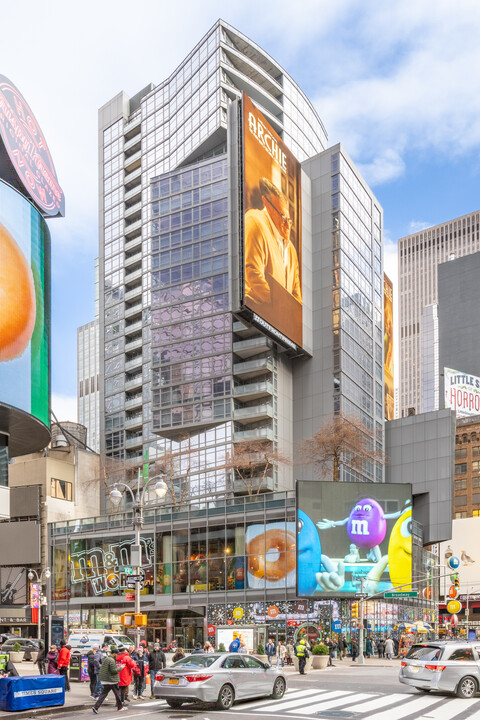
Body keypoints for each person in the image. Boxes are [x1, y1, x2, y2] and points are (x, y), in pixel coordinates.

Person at [244, 177, 302, 308]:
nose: (287, 226)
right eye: (282, 217)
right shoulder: (254, 221)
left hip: (283, 323)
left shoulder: (291, 250)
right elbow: (252, 273)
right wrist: (281, 306)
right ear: (266, 203)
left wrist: (291, 313)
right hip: (256, 311)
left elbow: (297, 296)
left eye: (289, 220)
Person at [92, 647, 124, 713]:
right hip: (112, 680)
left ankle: (96, 707)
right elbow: (113, 671)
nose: (117, 656)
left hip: (105, 680)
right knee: (117, 694)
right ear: (114, 654)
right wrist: (121, 668)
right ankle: (120, 707)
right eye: (117, 654)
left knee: (103, 694)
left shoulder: (106, 659)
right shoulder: (111, 660)